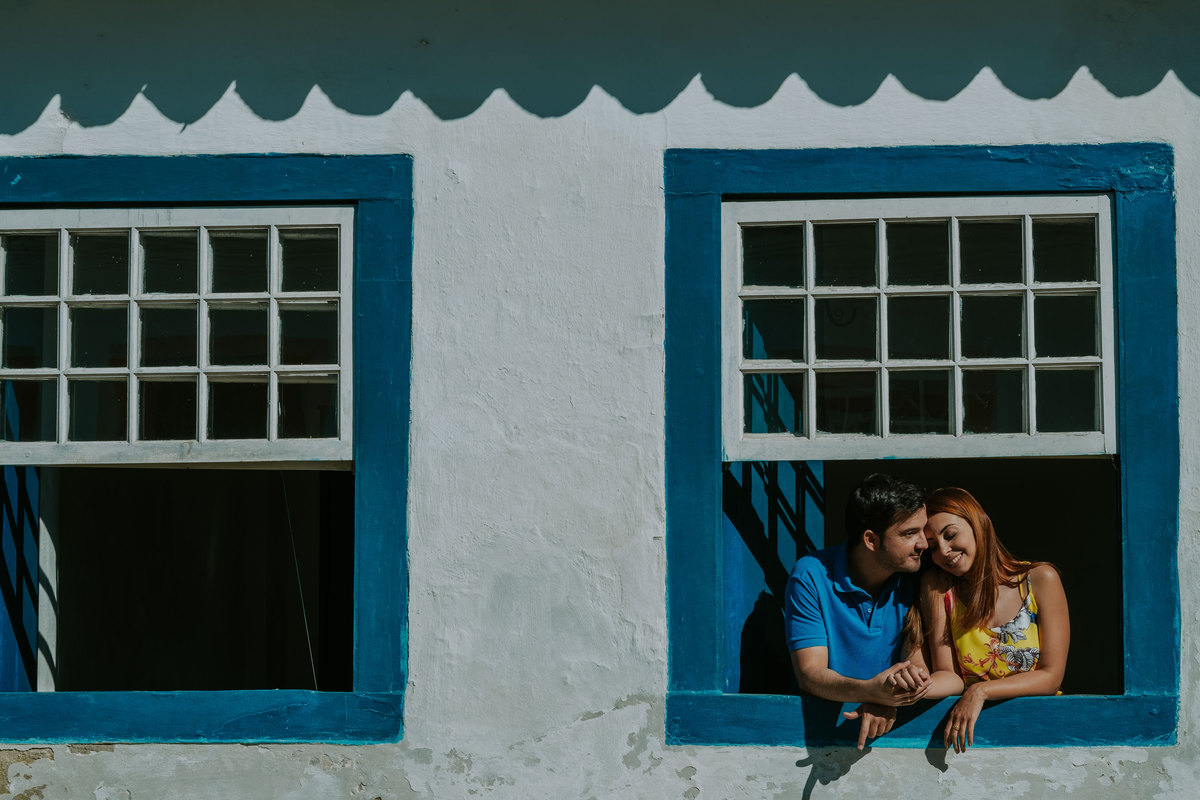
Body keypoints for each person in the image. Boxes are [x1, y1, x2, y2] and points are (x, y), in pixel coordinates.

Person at [911, 487, 1070, 753]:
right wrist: (895, 694)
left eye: (950, 535)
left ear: (979, 524)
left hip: (1043, 732)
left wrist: (981, 692)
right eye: (933, 547)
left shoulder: (1040, 579)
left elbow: (1051, 676)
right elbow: (948, 675)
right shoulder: (939, 589)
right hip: (973, 742)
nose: (945, 551)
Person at [784, 473, 933, 750]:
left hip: (901, 740)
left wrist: (894, 695)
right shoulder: (811, 575)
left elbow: (915, 663)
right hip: (819, 739)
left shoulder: (917, 577)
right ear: (871, 540)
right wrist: (872, 693)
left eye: (923, 530)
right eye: (910, 533)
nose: (924, 543)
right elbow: (810, 673)